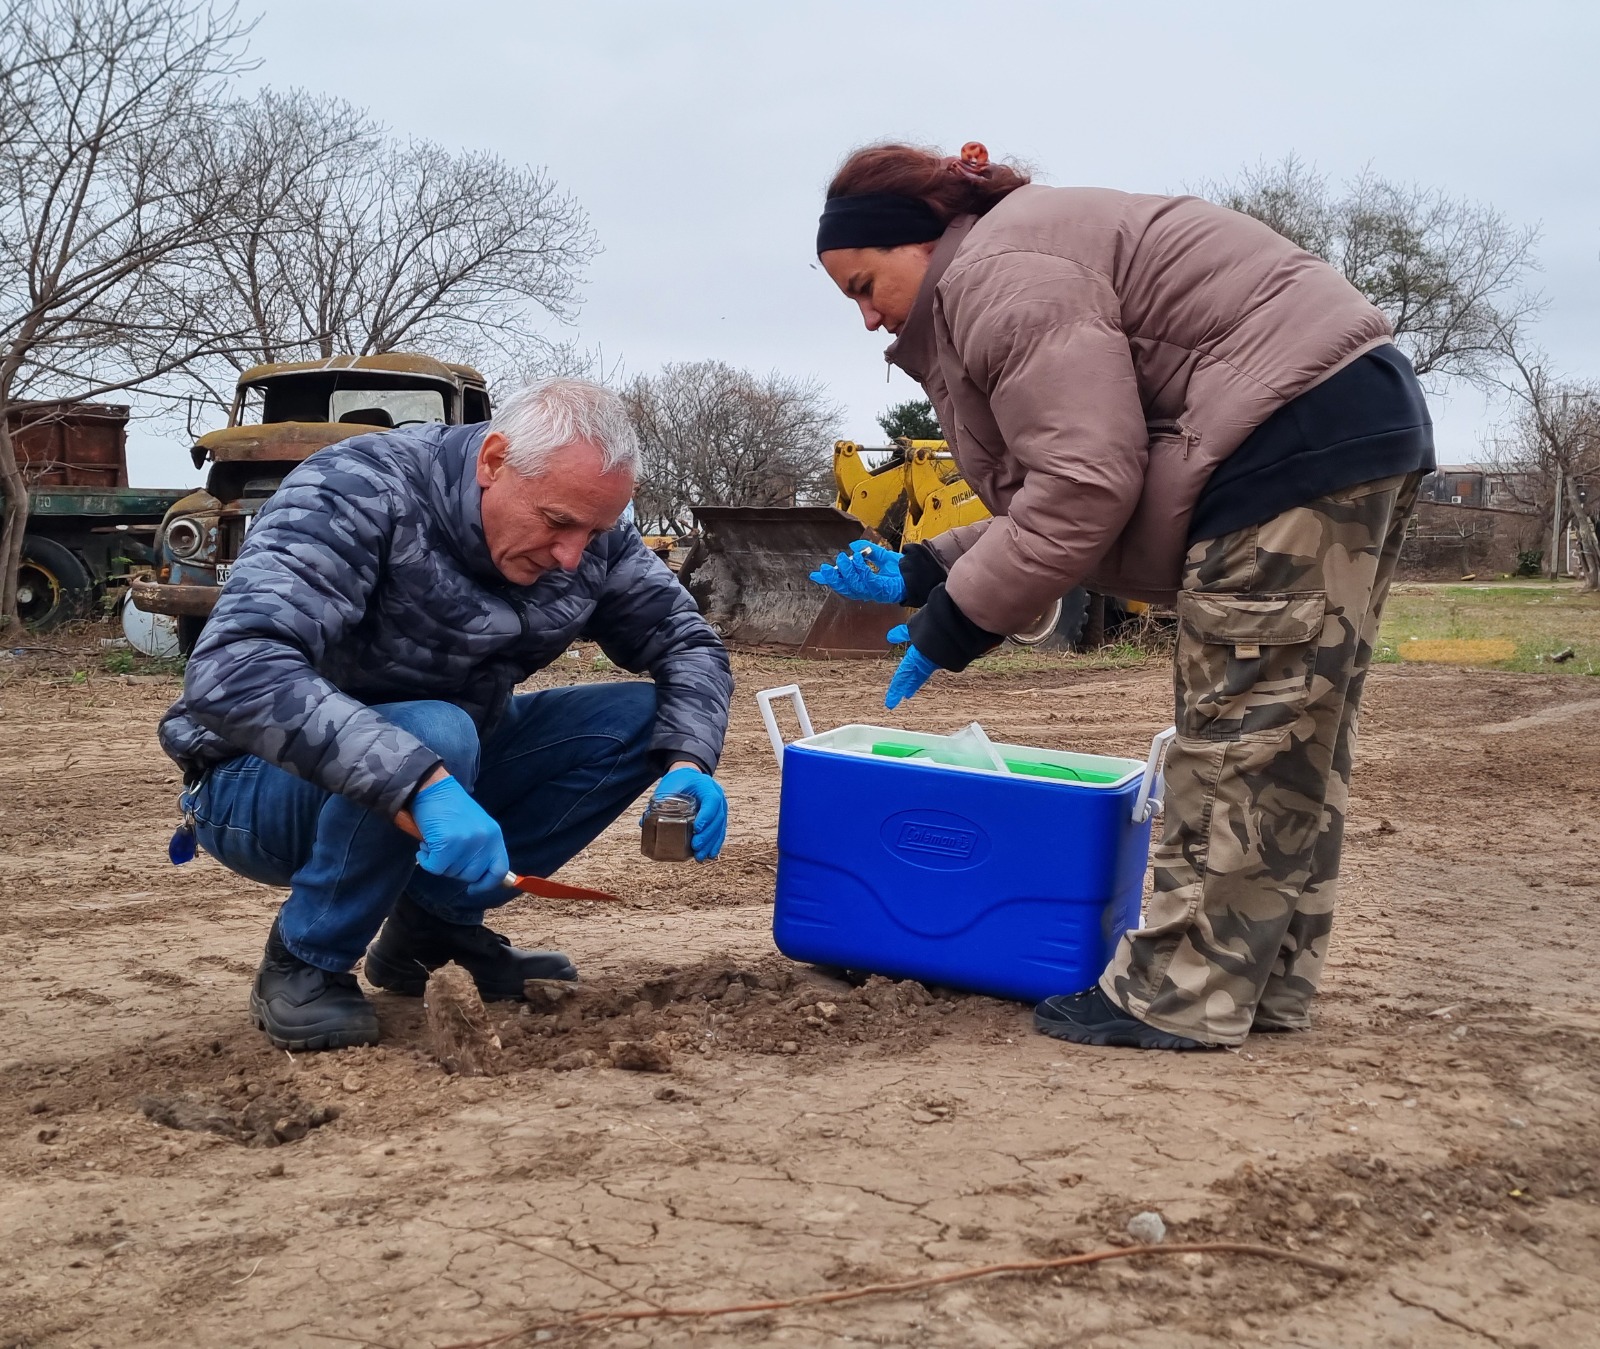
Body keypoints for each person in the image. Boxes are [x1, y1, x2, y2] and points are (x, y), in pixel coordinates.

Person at [811, 142, 1434, 1052]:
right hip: (1344, 424)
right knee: (1294, 733)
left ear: (922, 242)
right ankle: (1265, 983)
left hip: (1279, 446)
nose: (867, 319)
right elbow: (1087, 482)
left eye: (864, 286)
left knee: (1237, 730)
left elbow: (1085, 487)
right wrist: (929, 568)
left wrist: (951, 625)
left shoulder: (997, 279)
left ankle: (1180, 992)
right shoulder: (1017, 254)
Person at [158, 378, 733, 1051]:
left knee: (644, 716)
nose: (572, 556)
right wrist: (419, 779)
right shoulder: (359, 488)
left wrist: (690, 760)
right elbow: (234, 667)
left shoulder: (587, 538)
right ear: (492, 462)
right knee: (436, 729)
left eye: (594, 530)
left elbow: (688, 642)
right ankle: (305, 958)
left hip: (445, 757)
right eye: (556, 523)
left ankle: (431, 934)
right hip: (254, 784)